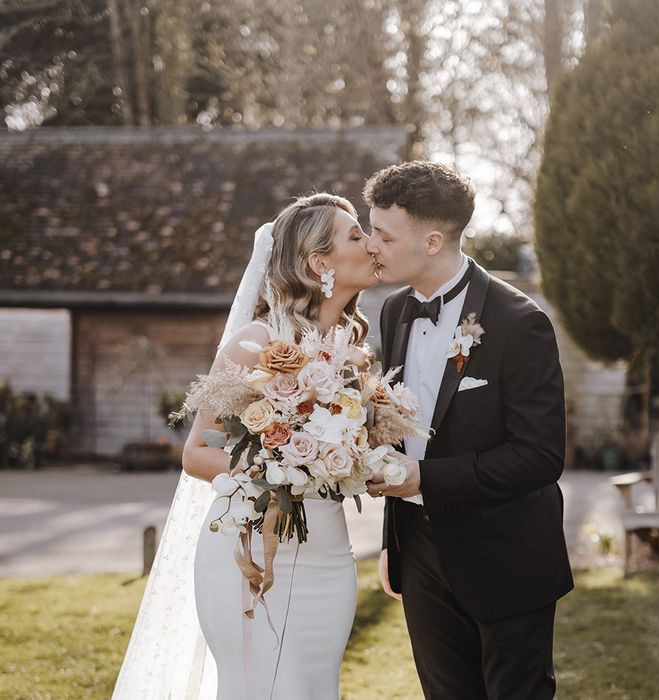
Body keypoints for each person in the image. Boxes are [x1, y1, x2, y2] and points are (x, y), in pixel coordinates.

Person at [112, 193, 381, 700]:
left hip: (329, 555)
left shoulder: (355, 356)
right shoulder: (255, 342)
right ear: (319, 262)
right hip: (253, 549)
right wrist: (284, 467)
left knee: (317, 687)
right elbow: (196, 453)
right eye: (355, 235)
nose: (370, 244)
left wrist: (362, 461)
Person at [364, 162, 574, 699]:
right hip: (421, 556)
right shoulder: (394, 312)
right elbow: (399, 431)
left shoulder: (520, 322)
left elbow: (538, 456)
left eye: (384, 235)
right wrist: (395, 543)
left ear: (433, 240)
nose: (371, 246)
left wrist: (424, 481)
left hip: (505, 555)